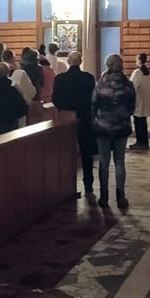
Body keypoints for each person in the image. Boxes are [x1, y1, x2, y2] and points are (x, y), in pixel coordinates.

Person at [91, 54, 136, 208]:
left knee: (104, 161)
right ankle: (120, 196)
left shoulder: (100, 84)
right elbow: (132, 107)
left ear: (107, 65)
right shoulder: (128, 85)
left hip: (103, 127)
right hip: (121, 127)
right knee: (120, 161)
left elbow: (94, 104)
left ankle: (104, 197)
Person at [53, 50, 97, 199]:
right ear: (81, 62)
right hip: (84, 118)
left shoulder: (60, 79)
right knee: (86, 153)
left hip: (65, 120)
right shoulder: (88, 78)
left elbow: (55, 100)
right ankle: (88, 185)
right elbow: (93, 99)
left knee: (66, 153)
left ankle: (66, 185)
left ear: (68, 62)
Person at [129, 53, 150, 149]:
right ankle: (144, 142)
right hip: (146, 101)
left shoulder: (137, 72)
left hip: (138, 101)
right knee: (143, 123)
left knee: (138, 123)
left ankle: (140, 142)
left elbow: (132, 87)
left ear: (139, 60)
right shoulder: (148, 73)